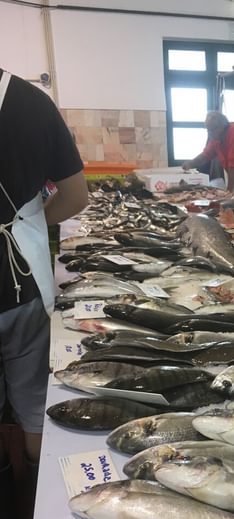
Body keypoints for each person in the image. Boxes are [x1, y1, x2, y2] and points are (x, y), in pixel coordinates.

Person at [0, 69, 88, 473]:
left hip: (22, 289)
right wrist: (29, 225)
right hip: (22, 288)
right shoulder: (29, 102)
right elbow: (75, 196)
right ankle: (37, 512)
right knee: (37, 407)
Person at [182, 111, 234, 196]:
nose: (209, 133)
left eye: (211, 130)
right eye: (207, 130)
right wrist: (190, 163)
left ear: (221, 127)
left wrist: (229, 192)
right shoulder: (216, 138)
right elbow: (205, 155)